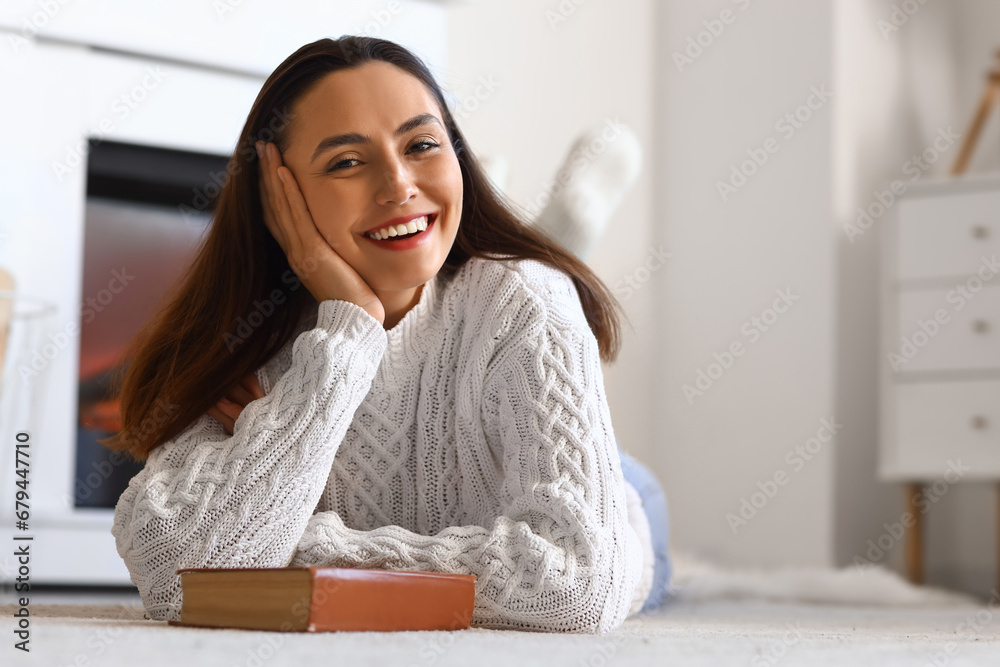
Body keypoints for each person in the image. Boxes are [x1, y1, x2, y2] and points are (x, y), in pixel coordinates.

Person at [105, 35, 671, 634]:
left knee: (534, 293)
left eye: (422, 145)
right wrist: (348, 330)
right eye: (347, 161)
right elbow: (182, 580)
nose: (398, 184)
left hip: (624, 505)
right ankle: (531, 230)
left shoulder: (522, 297)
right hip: (496, 471)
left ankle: (554, 234)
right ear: (277, 194)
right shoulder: (236, 341)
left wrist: (295, 540)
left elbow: (580, 585)